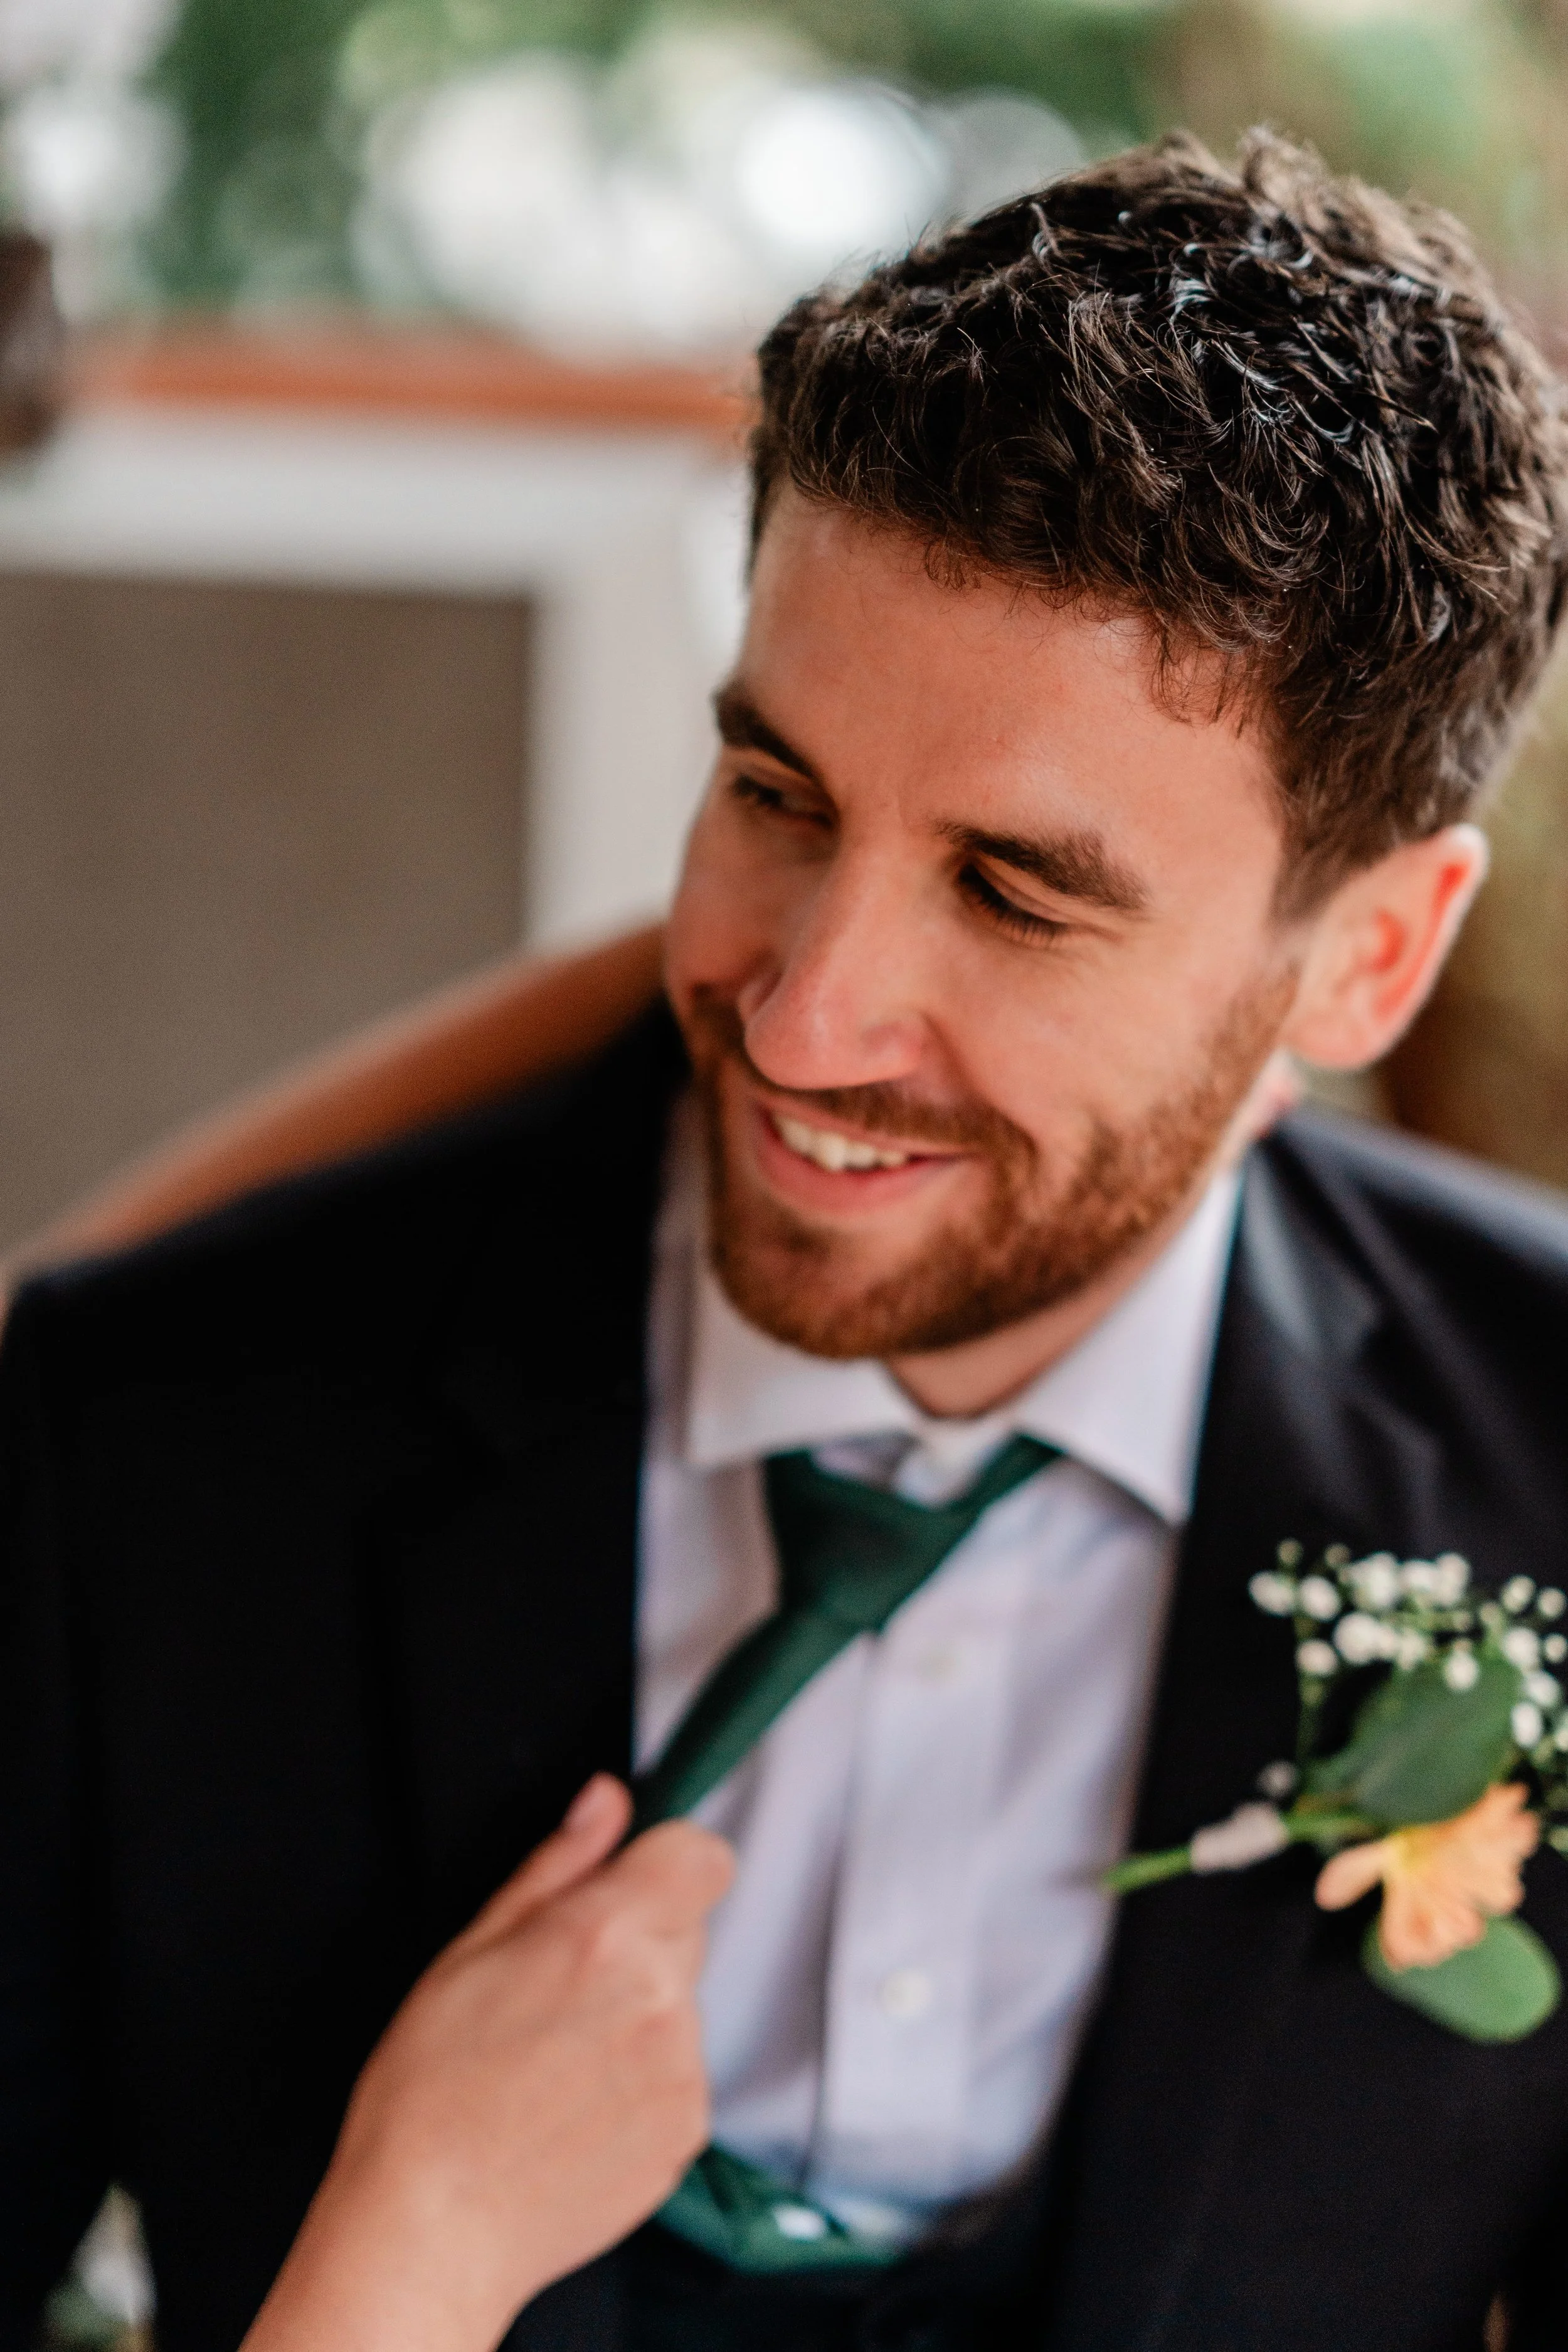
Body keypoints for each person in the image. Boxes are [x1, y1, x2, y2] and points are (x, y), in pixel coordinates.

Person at [5, 124, 1568, 2352]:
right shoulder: (160, 1449)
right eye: (773, 793)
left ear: (1373, 956)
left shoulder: (1542, 1467)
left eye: (1015, 893)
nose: (801, 1010)